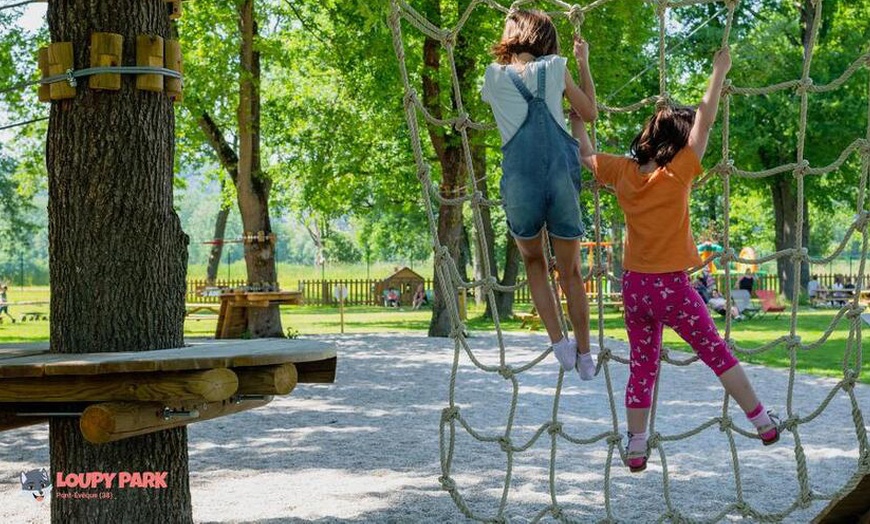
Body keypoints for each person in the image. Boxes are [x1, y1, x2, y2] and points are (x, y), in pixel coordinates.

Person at [571, 47, 779, 472]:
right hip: (673, 287)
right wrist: (719, 71)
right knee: (717, 353)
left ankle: (636, 444)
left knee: (642, 367)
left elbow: (586, 157)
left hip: (634, 287)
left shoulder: (624, 172)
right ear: (678, 143)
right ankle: (762, 421)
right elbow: (705, 120)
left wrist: (577, 121)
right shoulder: (679, 171)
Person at [481, 9, 598, 379]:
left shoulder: (493, 77)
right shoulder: (555, 67)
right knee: (572, 271)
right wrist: (583, 64)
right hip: (561, 177)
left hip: (520, 182)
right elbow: (589, 112)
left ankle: (558, 342)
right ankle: (584, 352)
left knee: (534, 262)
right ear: (546, 39)